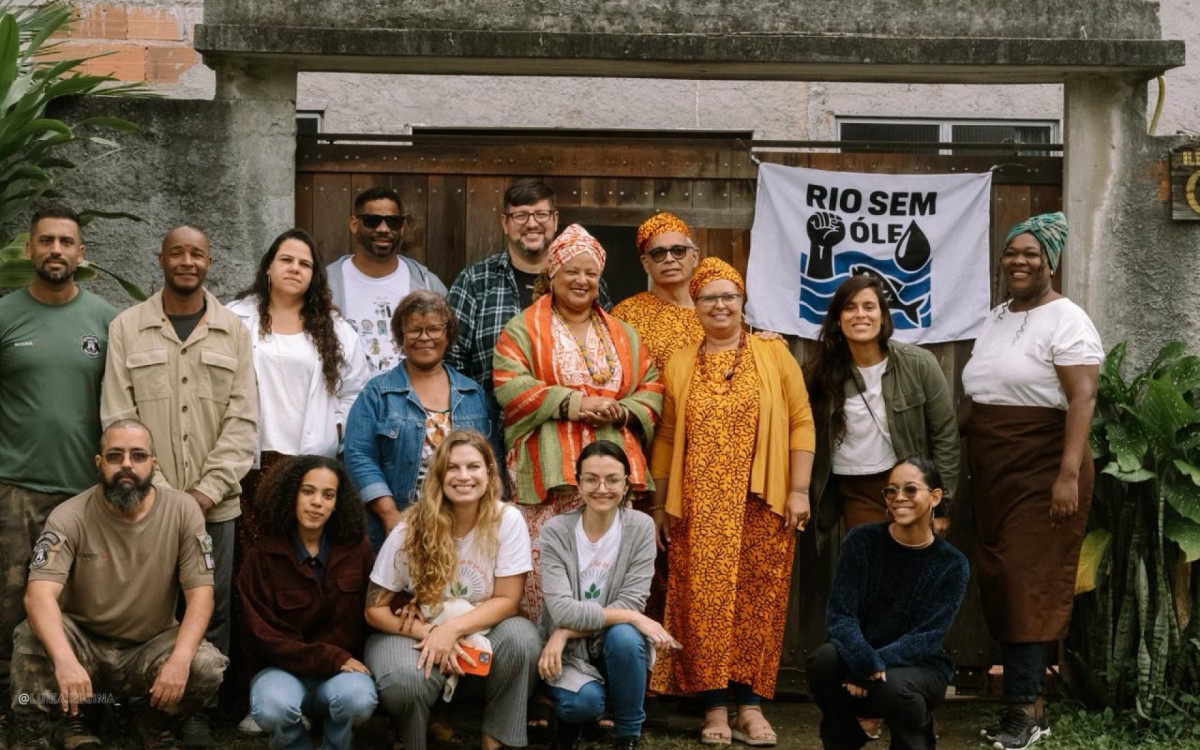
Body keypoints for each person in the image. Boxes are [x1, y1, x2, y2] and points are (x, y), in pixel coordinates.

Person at [101, 224, 257, 747]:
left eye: (197, 254)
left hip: (217, 506)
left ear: (209, 262)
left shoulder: (233, 331)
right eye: (177, 253)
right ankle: (148, 710)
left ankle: (196, 707)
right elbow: (119, 413)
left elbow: (243, 421)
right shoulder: (128, 328)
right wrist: (164, 493)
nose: (187, 261)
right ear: (161, 258)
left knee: (209, 606)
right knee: (149, 606)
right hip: (144, 504)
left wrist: (206, 492)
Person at [649, 257, 815, 747]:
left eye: (730, 296)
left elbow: (802, 421)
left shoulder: (773, 354)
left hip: (764, 503)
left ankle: (750, 706)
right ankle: (714, 707)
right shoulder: (679, 361)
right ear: (694, 306)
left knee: (757, 604)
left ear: (743, 303)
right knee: (703, 604)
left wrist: (799, 489)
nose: (720, 305)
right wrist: (660, 505)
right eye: (709, 297)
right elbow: (666, 435)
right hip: (699, 508)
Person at [960, 212, 1102, 750]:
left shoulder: (1067, 319)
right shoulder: (998, 315)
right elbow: (983, 392)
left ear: (1050, 261)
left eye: (1031, 254)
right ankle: (1023, 709)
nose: (1019, 261)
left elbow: (1082, 398)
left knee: (1027, 584)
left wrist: (1068, 473)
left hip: (1045, 467)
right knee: (1003, 580)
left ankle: (1025, 710)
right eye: (1011, 253)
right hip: (996, 468)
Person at [8, 420, 227, 750]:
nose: (127, 464)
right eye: (115, 455)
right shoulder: (68, 515)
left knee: (206, 666)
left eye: (138, 455)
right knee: (29, 637)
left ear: (154, 463)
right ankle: (34, 733)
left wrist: (180, 660)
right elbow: (38, 595)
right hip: (83, 645)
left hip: (147, 646)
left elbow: (201, 596)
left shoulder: (183, 511)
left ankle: (150, 719)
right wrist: (66, 660)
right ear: (99, 463)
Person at [493, 224, 662, 621]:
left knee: (607, 570)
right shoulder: (523, 329)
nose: (582, 280)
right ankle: (546, 660)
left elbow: (652, 386)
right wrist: (573, 402)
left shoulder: (623, 334)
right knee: (546, 573)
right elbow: (508, 384)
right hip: (548, 476)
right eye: (572, 271)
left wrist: (622, 410)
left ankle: (605, 655)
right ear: (552, 274)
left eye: (591, 273)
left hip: (608, 475)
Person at [0, 203, 117, 742]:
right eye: (46, 241)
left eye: (66, 242)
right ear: (30, 249)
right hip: (15, 489)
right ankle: (19, 712)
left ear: (81, 254)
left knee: (75, 608)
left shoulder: (105, 320)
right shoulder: (5, 315)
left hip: (83, 494)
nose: (55, 251)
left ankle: (73, 719)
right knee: (9, 606)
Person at [363, 430, 541, 750]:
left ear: (489, 471)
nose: (463, 476)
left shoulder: (507, 520)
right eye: (452, 468)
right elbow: (374, 608)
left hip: (479, 630)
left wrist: (451, 630)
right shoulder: (411, 527)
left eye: (473, 466)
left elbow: (508, 600)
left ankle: (496, 740)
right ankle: (410, 738)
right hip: (418, 630)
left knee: (523, 639)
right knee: (404, 682)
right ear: (438, 475)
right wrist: (429, 632)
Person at [807, 456, 970, 750]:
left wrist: (871, 665)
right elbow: (841, 615)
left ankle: (918, 735)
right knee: (823, 662)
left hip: (921, 666)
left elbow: (928, 638)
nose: (899, 498)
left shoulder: (952, 565)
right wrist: (863, 659)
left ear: (934, 497)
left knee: (892, 688)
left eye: (910, 490)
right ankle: (845, 737)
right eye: (891, 491)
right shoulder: (861, 542)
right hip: (864, 655)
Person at [226, 228, 370, 549]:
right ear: (268, 267)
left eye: (304, 264)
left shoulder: (335, 330)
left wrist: (335, 428)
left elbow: (356, 392)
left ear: (313, 275)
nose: (295, 268)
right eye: (286, 260)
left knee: (297, 551)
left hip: (308, 462)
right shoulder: (235, 317)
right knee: (252, 554)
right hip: (252, 458)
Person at [447, 179, 612, 448]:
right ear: (505, 223)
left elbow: (609, 350)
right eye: (520, 215)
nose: (532, 224)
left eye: (541, 214)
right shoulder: (476, 281)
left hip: (575, 439)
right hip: (493, 438)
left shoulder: (587, 285)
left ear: (555, 219)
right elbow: (452, 363)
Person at [537, 440, 677, 750]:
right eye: (591, 479)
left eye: (613, 479)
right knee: (581, 704)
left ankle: (627, 734)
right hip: (571, 650)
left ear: (627, 483)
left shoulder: (639, 528)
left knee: (626, 637)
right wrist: (633, 617)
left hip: (606, 640)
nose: (602, 488)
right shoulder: (556, 531)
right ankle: (573, 721)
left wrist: (564, 631)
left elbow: (631, 601)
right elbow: (562, 608)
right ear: (579, 483)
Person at [237, 455, 377, 750]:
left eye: (328, 495)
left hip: (340, 674)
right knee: (272, 707)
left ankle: (335, 744)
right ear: (292, 495)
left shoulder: (358, 549)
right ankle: (293, 744)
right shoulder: (263, 556)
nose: (317, 502)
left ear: (338, 503)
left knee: (359, 700)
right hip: (281, 671)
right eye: (308, 491)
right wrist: (329, 657)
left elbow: (378, 601)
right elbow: (262, 635)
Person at [806, 276, 959, 536]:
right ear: (838, 319)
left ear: (882, 316)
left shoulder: (919, 364)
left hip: (908, 486)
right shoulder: (819, 373)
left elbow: (945, 435)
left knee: (913, 568)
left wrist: (941, 505)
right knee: (874, 565)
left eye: (869, 307)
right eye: (850, 307)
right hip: (856, 489)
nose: (860, 315)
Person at [345, 290, 494, 551]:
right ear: (400, 337)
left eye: (434, 329)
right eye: (414, 330)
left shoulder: (473, 394)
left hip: (464, 525)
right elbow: (359, 455)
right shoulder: (377, 393)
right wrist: (389, 513)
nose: (425, 338)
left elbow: (492, 457)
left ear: (448, 335)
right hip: (401, 521)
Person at [326, 186, 448, 375]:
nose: (383, 229)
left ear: (403, 227)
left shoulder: (427, 285)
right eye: (372, 221)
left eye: (393, 222)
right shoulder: (326, 285)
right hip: (347, 401)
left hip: (410, 400)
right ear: (354, 224)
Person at [610, 212, 704, 373]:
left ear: (694, 257)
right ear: (646, 263)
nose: (669, 259)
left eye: (678, 250)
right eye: (659, 253)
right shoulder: (626, 314)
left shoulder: (714, 308)